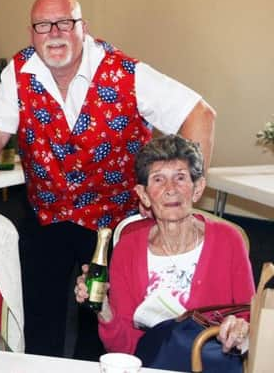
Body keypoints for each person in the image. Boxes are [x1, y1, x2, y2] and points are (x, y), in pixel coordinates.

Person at [0, 0, 216, 359]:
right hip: (46, 216)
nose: (54, 33)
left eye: (65, 23)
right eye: (43, 25)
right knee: (37, 320)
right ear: (31, 33)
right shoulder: (18, 73)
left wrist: (184, 193)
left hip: (112, 223)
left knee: (103, 325)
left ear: (84, 28)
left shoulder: (126, 73)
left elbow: (200, 115)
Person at [74, 135, 254, 358]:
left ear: (197, 189)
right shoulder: (128, 248)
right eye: (158, 180)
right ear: (144, 195)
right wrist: (104, 310)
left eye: (180, 178)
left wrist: (239, 329)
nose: (171, 189)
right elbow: (123, 348)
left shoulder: (229, 241)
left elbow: (249, 319)